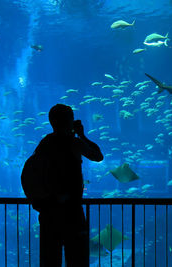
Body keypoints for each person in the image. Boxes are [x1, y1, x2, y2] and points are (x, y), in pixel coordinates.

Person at [35, 104, 103, 267]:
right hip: (72, 212)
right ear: (70, 121)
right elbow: (98, 156)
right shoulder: (73, 143)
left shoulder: (44, 144)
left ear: (51, 121)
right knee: (77, 258)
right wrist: (82, 135)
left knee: (50, 260)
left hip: (49, 211)